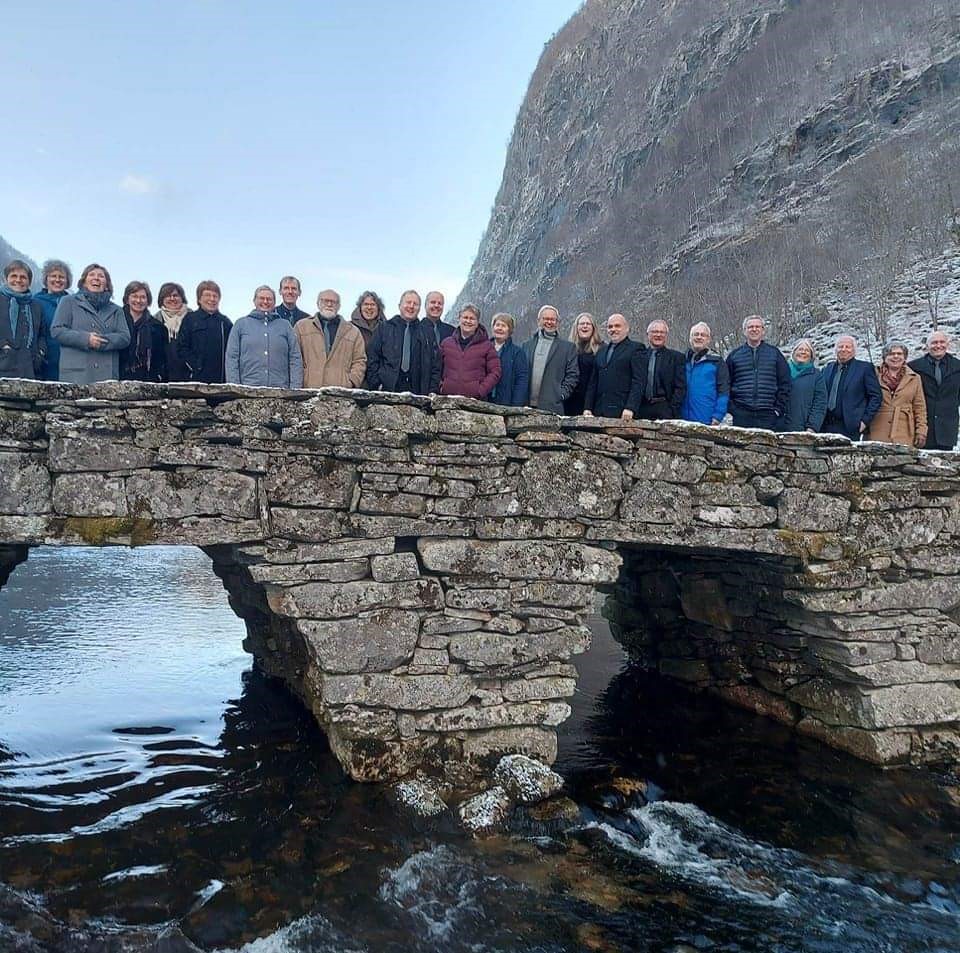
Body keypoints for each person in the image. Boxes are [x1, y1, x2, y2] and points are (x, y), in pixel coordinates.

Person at [51, 263, 130, 383]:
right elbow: (57, 330)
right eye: (91, 274)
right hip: (76, 375)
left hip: (106, 375)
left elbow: (125, 337)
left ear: (107, 284)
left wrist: (102, 342)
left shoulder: (117, 310)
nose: (96, 278)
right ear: (83, 282)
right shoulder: (68, 302)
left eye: (101, 276)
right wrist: (86, 339)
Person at [225, 286, 303, 388]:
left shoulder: (285, 326)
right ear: (254, 301)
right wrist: (235, 388)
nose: (265, 302)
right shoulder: (241, 324)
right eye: (261, 298)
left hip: (280, 390)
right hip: (248, 389)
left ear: (274, 302)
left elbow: (295, 358)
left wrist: (295, 389)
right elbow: (232, 358)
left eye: (269, 299)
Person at [365, 290, 440, 394]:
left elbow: (435, 364)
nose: (411, 306)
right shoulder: (385, 328)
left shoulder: (427, 332)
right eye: (408, 302)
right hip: (388, 390)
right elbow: (372, 357)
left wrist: (431, 390)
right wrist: (376, 384)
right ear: (400, 305)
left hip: (418, 392)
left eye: (415, 304)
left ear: (419, 308)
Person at [725, 314, 791, 429]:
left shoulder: (775, 354)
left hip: (768, 414)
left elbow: (785, 383)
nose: (754, 329)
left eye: (757, 327)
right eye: (750, 327)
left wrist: (778, 409)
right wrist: (732, 409)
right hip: (742, 414)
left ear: (763, 330)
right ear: (744, 331)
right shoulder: (734, 356)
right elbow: (725, 384)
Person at [295, 289, 366, 388]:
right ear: (318, 303)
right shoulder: (301, 327)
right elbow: (295, 357)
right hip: (309, 389)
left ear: (339, 306)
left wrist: (352, 381)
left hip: (340, 392)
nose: (329, 304)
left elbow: (359, 360)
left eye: (334, 302)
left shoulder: (353, 332)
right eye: (325, 301)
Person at [582, 313, 644, 420]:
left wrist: (631, 407)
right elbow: (593, 383)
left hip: (623, 412)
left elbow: (639, 381)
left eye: (617, 326)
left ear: (626, 328)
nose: (613, 329)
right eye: (610, 327)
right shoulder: (601, 351)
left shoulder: (636, 349)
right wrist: (587, 408)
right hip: (599, 411)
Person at [820, 334, 882, 441]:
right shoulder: (827, 369)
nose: (844, 349)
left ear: (854, 350)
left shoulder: (864, 368)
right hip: (826, 425)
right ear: (835, 350)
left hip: (850, 426)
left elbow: (876, 397)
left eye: (848, 347)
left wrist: (865, 421)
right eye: (840, 346)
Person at [868, 342, 927, 448]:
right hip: (876, 430)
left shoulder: (915, 378)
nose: (895, 356)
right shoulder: (873, 375)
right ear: (884, 357)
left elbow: (919, 407)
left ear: (905, 357)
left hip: (904, 432)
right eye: (891, 354)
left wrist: (921, 431)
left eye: (899, 354)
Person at [521, 305, 578, 414]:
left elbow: (573, 375)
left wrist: (561, 394)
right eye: (546, 319)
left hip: (552, 407)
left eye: (553, 319)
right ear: (538, 321)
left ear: (557, 322)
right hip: (526, 406)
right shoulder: (526, 346)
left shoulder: (568, 348)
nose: (549, 322)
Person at [909, 330, 960, 450]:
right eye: (934, 343)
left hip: (947, 429)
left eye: (942, 342)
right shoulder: (913, 367)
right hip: (922, 428)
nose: (938, 346)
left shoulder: (957, 367)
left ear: (947, 344)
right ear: (927, 346)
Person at [439, 304, 501, 399]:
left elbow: (495, 371)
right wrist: (442, 387)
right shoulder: (446, 343)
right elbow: (437, 369)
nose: (468, 321)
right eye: (465, 317)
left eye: (472, 318)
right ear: (459, 319)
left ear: (477, 322)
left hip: (475, 402)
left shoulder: (487, 346)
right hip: (448, 399)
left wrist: (480, 391)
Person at [177, 280, 232, 384]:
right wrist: (194, 366)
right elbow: (182, 348)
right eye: (207, 295)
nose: (212, 299)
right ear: (199, 299)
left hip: (220, 382)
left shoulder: (225, 323)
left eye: (215, 296)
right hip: (195, 381)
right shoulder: (190, 319)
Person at [0, 259, 44, 380]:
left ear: (29, 282)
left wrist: (40, 352)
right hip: (3, 365)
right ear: (5, 279)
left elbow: (42, 334)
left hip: (29, 368)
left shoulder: (36, 306)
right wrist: (3, 346)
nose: (18, 280)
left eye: (23, 277)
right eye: (14, 276)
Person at [681, 322, 729, 425]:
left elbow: (724, 391)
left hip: (707, 420)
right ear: (690, 338)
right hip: (682, 421)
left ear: (708, 339)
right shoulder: (682, 360)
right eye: (696, 334)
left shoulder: (717, 362)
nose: (699, 337)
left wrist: (718, 416)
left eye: (703, 335)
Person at [119, 281, 168, 383]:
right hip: (119, 377)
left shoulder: (158, 327)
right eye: (134, 296)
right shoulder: (117, 321)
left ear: (148, 300)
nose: (138, 300)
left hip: (148, 379)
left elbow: (162, 359)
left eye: (143, 297)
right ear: (127, 299)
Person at [636, 319, 685, 419]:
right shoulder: (639, 356)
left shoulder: (676, 358)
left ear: (666, 335)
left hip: (665, 408)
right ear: (648, 334)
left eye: (662, 332)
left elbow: (680, 387)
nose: (658, 335)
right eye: (654, 332)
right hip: (642, 408)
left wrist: (672, 408)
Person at [35, 259, 72, 380]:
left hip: (69, 359)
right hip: (43, 359)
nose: (57, 280)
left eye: (61, 277)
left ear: (67, 281)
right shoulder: (36, 301)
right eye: (53, 276)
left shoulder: (74, 302)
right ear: (46, 279)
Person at [784, 338, 827, 432]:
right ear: (794, 352)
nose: (803, 352)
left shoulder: (816, 376)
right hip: (778, 427)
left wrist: (812, 427)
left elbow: (819, 404)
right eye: (800, 349)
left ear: (811, 356)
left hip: (802, 429)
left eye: (807, 350)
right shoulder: (782, 370)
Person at [564, 312, 602, 415]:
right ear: (576, 327)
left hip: (593, 402)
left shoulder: (602, 349)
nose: (585, 326)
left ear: (593, 327)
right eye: (582, 324)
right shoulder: (567, 349)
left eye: (588, 324)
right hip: (570, 400)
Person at [488, 312, 529, 406]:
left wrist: (516, 405)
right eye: (497, 325)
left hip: (506, 402)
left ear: (510, 330)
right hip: (485, 400)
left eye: (504, 325)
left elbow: (521, 380)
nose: (499, 328)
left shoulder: (517, 353)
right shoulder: (484, 348)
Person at [155, 282, 191, 381]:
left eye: (175, 295)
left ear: (182, 298)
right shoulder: (155, 320)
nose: (172, 299)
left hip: (190, 375)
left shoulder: (192, 317)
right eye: (167, 296)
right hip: (164, 376)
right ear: (161, 299)